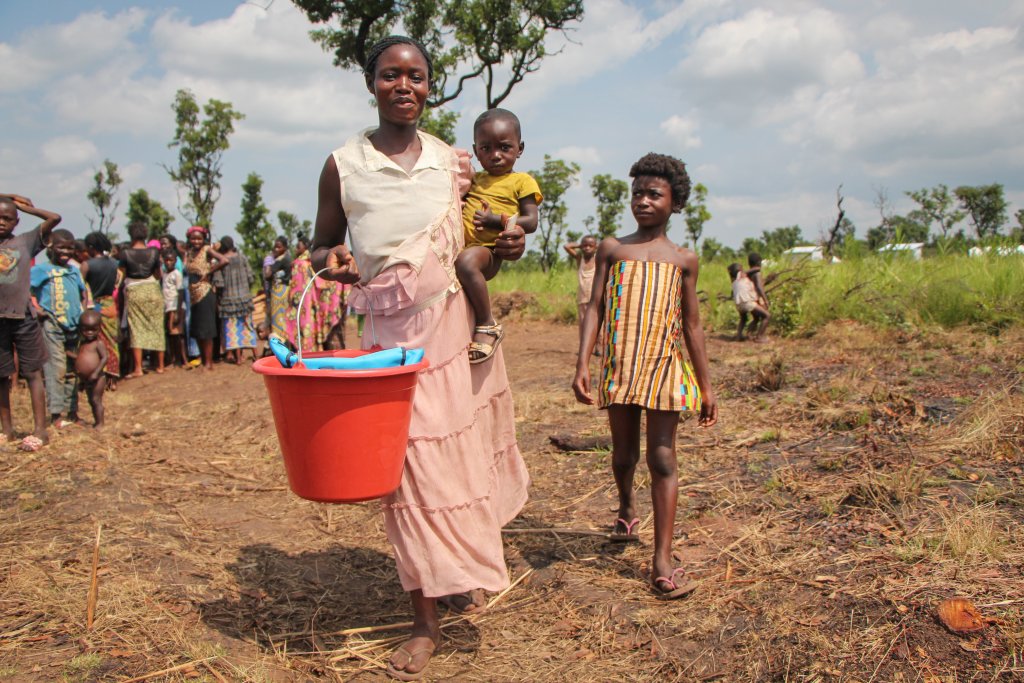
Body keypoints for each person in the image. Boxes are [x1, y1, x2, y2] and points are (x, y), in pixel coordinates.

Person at [310, 36, 530, 681]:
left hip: (457, 327)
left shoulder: (452, 162)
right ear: (370, 83)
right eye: (389, 75)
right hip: (392, 337)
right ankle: (424, 621)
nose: (403, 86)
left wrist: (507, 239)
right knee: (407, 473)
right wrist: (334, 262)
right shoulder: (342, 165)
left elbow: (488, 232)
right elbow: (324, 245)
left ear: (430, 86)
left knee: (462, 458)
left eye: (416, 76)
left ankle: (461, 569)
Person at [572, 153, 718, 600]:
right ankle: (626, 507)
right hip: (620, 368)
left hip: (664, 370)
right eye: (637, 193)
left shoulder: (683, 259)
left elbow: (692, 325)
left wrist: (707, 387)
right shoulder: (615, 249)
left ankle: (661, 559)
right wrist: (582, 363)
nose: (643, 201)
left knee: (662, 459)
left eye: (654, 194)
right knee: (622, 456)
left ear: (675, 204)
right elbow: (594, 306)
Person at [454, 109, 541, 364]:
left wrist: (495, 220)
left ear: (520, 148)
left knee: (467, 263)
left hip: (490, 251)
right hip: (463, 246)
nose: (495, 155)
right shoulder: (475, 178)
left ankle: (487, 324)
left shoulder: (522, 181)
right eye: (486, 148)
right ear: (476, 149)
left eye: (504, 147)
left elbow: (531, 221)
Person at [0, 193, 62, 451]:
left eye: (6, 218)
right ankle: (6, 430)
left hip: (23, 317)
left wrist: (24, 207)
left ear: (16, 222)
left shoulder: (26, 241)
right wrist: (6, 196)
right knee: (1, 376)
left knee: (33, 374)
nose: (1, 222)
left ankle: (40, 430)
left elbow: (54, 218)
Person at [30, 228, 86, 427]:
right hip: (52, 324)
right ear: (50, 247)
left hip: (74, 326)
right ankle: (56, 414)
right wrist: (36, 309)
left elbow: (82, 292)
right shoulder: (41, 270)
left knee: (73, 370)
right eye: (61, 247)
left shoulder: (74, 270)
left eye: (70, 248)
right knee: (56, 369)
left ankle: (72, 411)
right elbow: (28, 291)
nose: (66, 252)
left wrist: (85, 312)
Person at [118, 221, 166, 376]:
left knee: (136, 328)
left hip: (134, 291)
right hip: (153, 289)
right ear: (145, 235)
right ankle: (160, 366)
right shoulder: (154, 252)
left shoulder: (125, 254)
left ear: (131, 235)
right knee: (157, 326)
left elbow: (121, 276)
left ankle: (138, 368)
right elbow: (159, 274)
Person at [183, 225, 229, 371]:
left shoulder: (207, 250)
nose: (196, 241)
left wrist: (209, 271)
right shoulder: (189, 253)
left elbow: (224, 260)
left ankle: (208, 363)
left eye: (199, 238)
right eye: (193, 238)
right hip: (193, 294)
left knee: (207, 329)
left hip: (205, 291)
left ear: (204, 239)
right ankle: (203, 360)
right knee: (197, 329)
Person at [80, 232, 121, 384]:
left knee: (98, 342)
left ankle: (100, 376)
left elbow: (80, 287)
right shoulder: (113, 263)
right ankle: (114, 377)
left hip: (94, 306)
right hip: (110, 304)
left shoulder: (87, 265)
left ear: (91, 247)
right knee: (112, 341)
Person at [211, 236, 257, 363]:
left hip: (228, 300)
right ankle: (255, 354)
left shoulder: (220, 261)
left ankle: (238, 358)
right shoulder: (242, 258)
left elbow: (219, 283)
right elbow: (251, 277)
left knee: (233, 329)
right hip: (245, 299)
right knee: (248, 326)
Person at [72, 309, 107, 428]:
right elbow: (80, 357)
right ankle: (96, 421)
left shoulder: (98, 344)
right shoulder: (82, 344)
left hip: (98, 378)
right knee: (91, 400)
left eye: (93, 329)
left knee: (96, 400)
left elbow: (104, 358)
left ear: (99, 328)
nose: (89, 332)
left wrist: (96, 373)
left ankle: (100, 423)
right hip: (86, 379)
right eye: (86, 329)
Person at [563, 235, 598, 348]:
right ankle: (584, 348)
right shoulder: (580, 259)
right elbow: (567, 246)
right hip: (582, 298)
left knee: (597, 323)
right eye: (585, 245)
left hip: (596, 298)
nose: (587, 248)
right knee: (583, 324)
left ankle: (598, 347)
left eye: (590, 246)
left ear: (595, 247)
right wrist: (579, 245)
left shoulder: (598, 260)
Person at [286, 235, 319, 353]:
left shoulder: (299, 264)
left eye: (298, 246)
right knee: (308, 324)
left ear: (304, 247)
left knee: (298, 323)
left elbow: (295, 287)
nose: (295, 248)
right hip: (309, 300)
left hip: (299, 301)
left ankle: (301, 351)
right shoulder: (310, 263)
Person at [728, 262, 770, 341]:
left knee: (744, 319)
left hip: (738, 304)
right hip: (747, 303)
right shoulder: (742, 275)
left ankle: (739, 336)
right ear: (739, 270)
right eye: (741, 268)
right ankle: (759, 337)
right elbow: (757, 269)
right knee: (766, 316)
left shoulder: (734, 281)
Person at [263, 236, 292, 343]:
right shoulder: (287, 258)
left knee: (278, 319)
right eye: (275, 247)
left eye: (278, 247)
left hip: (280, 292)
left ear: (284, 247)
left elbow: (267, 275)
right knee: (282, 318)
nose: (275, 249)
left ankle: (280, 342)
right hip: (284, 291)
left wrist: (270, 260)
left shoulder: (281, 260)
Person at [161, 248, 185, 366]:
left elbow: (180, 292)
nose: (168, 262)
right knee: (170, 334)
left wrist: (178, 311)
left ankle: (180, 359)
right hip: (167, 306)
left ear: (175, 261)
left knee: (176, 334)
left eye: (171, 260)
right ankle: (173, 359)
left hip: (174, 306)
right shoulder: (165, 274)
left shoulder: (177, 274)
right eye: (166, 260)